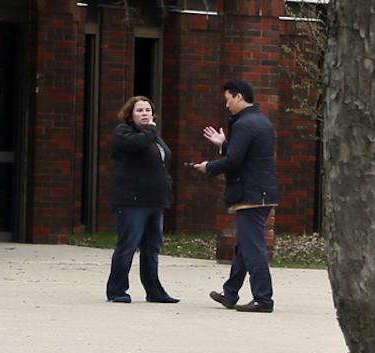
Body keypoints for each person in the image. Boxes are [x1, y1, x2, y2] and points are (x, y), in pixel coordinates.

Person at [191, 79, 278, 313]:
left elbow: (234, 161)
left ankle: (263, 298)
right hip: (262, 192)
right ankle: (230, 293)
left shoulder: (245, 124)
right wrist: (224, 144)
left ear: (239, 97)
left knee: (252, 247)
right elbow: (245, 154)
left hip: (250, 194)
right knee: (244, 246)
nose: (227, 105)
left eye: (228, 99)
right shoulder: (261, 121)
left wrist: (209, 166)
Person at [105, 96, 178, 304]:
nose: (145, 114)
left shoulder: (154, 137)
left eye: (148, 110)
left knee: (152, 248)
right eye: (140, 111)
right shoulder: (124, 132)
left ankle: (154, 291)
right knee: (127, 245)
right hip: (132, 201)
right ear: (130, 114)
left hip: (155, 201)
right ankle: (117, 290)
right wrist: (152, 131)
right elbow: (137, 144)